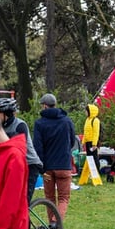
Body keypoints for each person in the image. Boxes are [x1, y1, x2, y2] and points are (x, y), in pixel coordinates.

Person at [33, 93, 76, 221]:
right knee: (63, 198)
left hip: (47, 167)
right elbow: (72, 141)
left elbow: (38, 147)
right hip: (63, 165)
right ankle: (55, 223)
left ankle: (51, 226)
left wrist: (41, 168)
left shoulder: (39, 124)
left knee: (49, 199)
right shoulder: (66, 121)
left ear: (45, 106)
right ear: (55, 104)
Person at [83, 103, 102, 171]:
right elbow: (85, 131)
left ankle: (97, 171)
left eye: (86, 111)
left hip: (93, 142)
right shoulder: (87, 120)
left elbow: (96, 133)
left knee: (94, 157)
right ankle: (91, 172)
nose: (85, 112)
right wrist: (83, 141)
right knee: (89, 157)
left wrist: (94, 144)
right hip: (88, 142)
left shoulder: (95, 120)